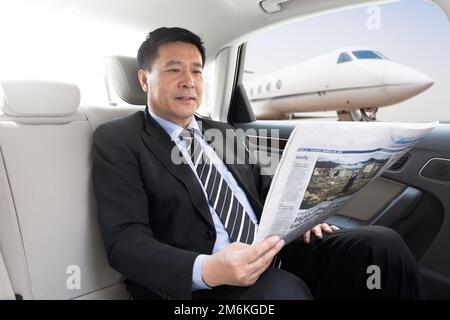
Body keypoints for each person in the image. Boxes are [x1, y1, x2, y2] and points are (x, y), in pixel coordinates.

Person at [92, 27, 427, 300]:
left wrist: (305, 216)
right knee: (282, 291)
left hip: (272, 253)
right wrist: (210, 269)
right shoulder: (120, 139)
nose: (189, 81)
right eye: (173, 70)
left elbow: (268, 190)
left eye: (196, 71)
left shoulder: (224, 134)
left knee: (382, 246)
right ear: (144, 80)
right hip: (199, 288)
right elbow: (125, 242)